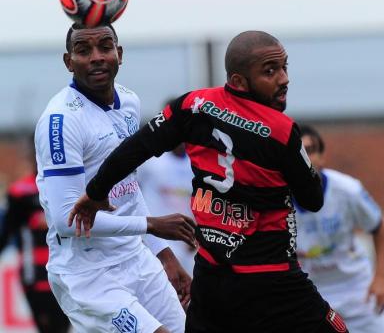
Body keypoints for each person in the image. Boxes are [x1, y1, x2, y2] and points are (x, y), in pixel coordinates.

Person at [69, 30, 350, 332]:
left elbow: (138, 146)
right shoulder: (281, 131)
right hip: (272, 279)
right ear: (239, 81)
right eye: (270, 71)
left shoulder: (192, 105)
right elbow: (313, 200)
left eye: (284, 67)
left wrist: (96, 190)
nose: (284, 79)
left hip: (212, 277)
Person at [34, 23, 197, 333]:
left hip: (136, 258)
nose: (96, 57)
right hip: (88, 275)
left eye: (105, 47)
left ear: (119, 54)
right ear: (69, 62)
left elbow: (129, 190)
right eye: (83, 51)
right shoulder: (61, 120)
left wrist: (163, 254)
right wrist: (152, 224)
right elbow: (67, 222)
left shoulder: (129, 103)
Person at [296, 124, 384, 333]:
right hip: (309, 295)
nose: (306, 160)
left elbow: (379, 226)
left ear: (322, 157)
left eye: (310, 151)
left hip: (357, 291)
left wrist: (380, 278)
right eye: (299, 153)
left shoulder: (348, 190)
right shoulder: (275, 198)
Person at [0, 136, 70, 333]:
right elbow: (6, 233)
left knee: (61, 328)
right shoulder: (20, 192)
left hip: (68, 274)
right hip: (35, 275)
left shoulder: (68, 188)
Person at [138, 101, 196, 277]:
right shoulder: (150, 161)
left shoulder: (198, 163)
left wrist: (197, 232)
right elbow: (134, 193)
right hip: (157, 243)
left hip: (190, 245)